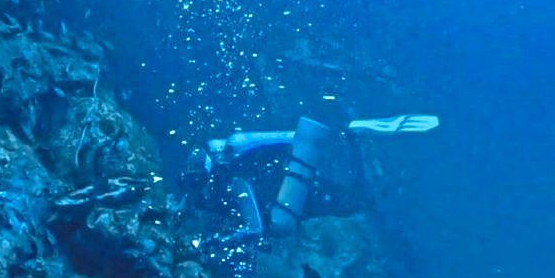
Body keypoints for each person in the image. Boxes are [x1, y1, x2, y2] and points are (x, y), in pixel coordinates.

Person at [182, 110, 439, 246]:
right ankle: (351, 137)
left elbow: (256, 227)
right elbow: (286, 138)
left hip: (292, 194)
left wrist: (223, 241)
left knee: (354, 202)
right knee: (349, 201)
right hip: (292, 181)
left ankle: (353, 139)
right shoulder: (230, 156)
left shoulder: (234, 178)